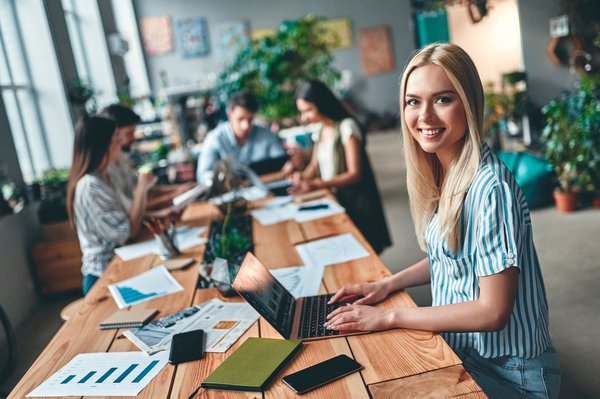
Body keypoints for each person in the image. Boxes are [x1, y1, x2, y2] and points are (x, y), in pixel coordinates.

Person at [324, 43, 560, 398]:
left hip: (512, 373)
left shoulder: (489, 189)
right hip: (466, 353)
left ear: (469, 103)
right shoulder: (448, 172)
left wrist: (389, 316)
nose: (425, 117)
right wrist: (387, 285)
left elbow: (492, 311)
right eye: (413, 101)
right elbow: (451, 256)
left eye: (443, 99)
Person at [290, 79, 391, 254]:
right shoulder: (321, 129)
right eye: (302, 111)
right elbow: (314, 164)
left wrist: (318, 184)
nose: (304, 117)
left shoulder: (347, 127)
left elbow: (355, 173)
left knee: (364, 248)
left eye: (308, 110)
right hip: (338, 198)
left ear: (322, 105)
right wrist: (302, 177)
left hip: (357, 201)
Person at [67, 116, 157, 295]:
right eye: (115, 136)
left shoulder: (103, 176)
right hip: (103, 276)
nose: (120, 141)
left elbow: (125, 217)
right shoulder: (91, 186)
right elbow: (127, 231)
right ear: (103, 143)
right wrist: (141, 189)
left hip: (118, 268)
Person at [100, 104, 194, 212]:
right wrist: (173, 194)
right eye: (129, 133)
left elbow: (145, 189)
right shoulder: (106, 170)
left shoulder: (121, 158)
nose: (134, 137)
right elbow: (131, 209)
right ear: (113, 134)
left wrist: (178, 189)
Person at [196, 91, 287, 182]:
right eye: (240, 119)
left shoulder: (265, 134)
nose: (245, 126)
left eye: (250, 119)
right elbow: (203, 175)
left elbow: (282, 163)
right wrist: (221, 180)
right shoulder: (214, 139)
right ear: (229, 114)